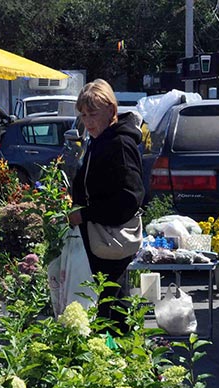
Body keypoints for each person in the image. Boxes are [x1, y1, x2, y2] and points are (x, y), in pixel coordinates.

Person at [68, 79, 144, 326]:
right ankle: (117, 358)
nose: (87, 121)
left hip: (111, 239)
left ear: (112, 111)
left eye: (93, 114)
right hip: (99, 238)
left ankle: (122, 359)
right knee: (106, 306)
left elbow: (130, 198)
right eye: (83, 115)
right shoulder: (100, 140)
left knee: (112, 310)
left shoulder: (119, 144)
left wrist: (86, 214)